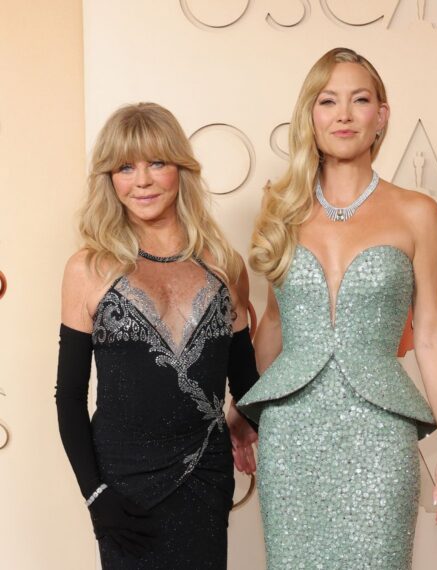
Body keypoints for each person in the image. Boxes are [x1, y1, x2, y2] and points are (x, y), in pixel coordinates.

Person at [234, 48, 437, 569]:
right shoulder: (282, 209)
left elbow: (430, 332)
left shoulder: (417, 212)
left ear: (380, 116)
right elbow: (274, 322)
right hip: (292, 431)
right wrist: (239, 411)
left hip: (381, 431)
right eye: (327, 101)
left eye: (359, 100)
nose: (343, 114)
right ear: (310, 116)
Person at [55, 102, 259, 569]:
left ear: (180, 169)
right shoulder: (89, 269)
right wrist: (95, 495)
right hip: (122, 487)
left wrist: (250, 420)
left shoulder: (225, 265)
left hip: (204, 478)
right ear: (109, 179)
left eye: (156, 163)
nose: (141, 181)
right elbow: (68, 397)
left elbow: (246, 382)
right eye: (125, 167)